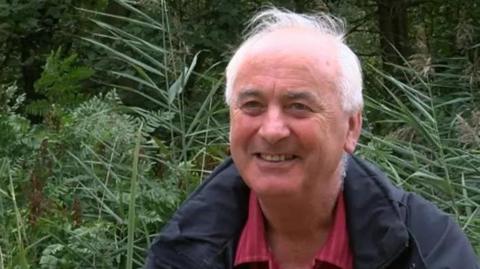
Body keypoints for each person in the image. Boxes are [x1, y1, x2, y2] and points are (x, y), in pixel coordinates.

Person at [145, 7, 479, 269]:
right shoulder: (183, 250)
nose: (272, 130)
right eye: (252, 105)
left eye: (299, 106)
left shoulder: (425, 247)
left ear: (351, 128)